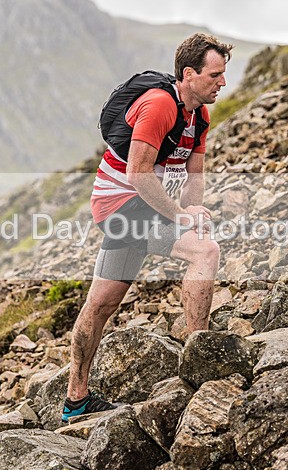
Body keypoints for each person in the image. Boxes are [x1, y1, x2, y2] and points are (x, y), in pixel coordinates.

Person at [62, 33, 233, 421]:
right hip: (121, 206)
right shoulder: (158, 106)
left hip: (146, 207)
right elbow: (140, 175)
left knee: (102, 302)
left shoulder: (199, 114)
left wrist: (195, 208)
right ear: (189, 74)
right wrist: (180, 216)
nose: (222, 83)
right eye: (215, 75)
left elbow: (195, 174)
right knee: (205, 252)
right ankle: (200, 368)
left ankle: (75, 402)